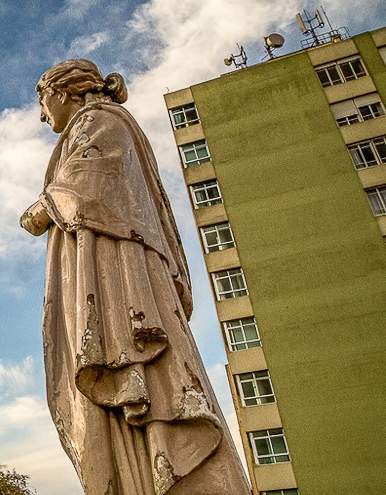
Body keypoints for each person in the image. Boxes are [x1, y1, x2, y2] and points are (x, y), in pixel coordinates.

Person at [20, 59, 249, 494]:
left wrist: (40, 208)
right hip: (99, 259)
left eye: (42, 98)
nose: (41, 112)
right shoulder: (88, 127)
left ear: (64, 91)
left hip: (117, 270)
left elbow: (88, 184)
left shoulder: (102, 121)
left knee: (138, 368)